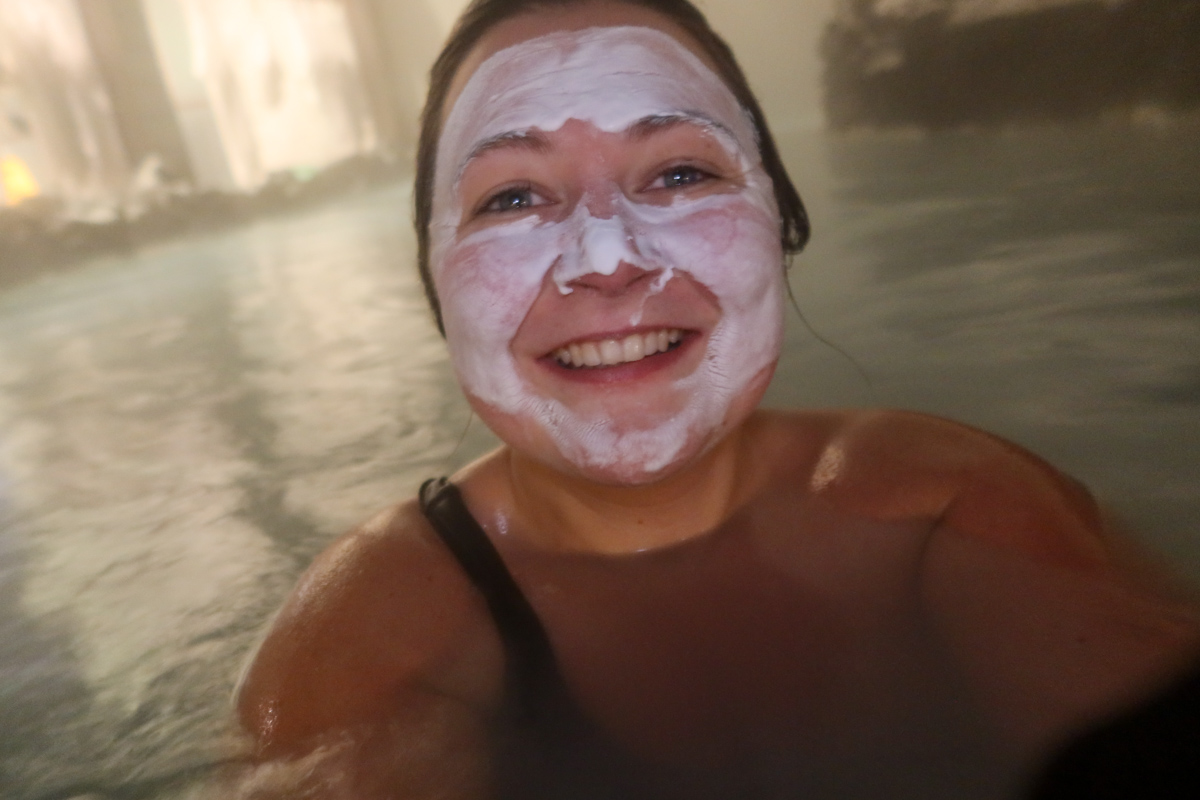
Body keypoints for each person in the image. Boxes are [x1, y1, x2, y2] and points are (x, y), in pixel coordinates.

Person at [230, 1, 1200, 797]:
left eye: (682, 172)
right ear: (436, 278)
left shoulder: (946, 500)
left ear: (780, 223)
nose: (607, 261)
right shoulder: (366, 641)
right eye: (514, 198)